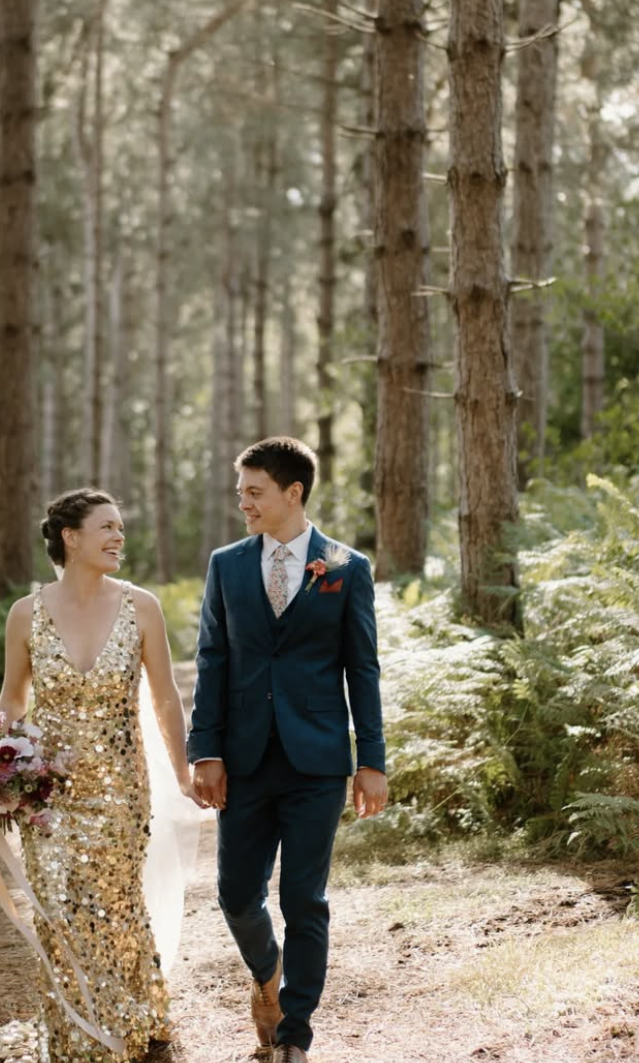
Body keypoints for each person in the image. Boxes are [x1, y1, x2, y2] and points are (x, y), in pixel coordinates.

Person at [188, 436, 388, 1063]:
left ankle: (295, 1033)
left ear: (292, 492)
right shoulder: (227, 564)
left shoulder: (346, 567)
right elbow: (212, 659)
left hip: (318, 762)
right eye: (240, 491)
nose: (242, 502)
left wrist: (372, 760)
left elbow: (364, 668)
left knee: (306, 898)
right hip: (243, 760)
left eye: (254, 491)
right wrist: (205, 750)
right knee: (236, 894)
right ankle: (266, 973)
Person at [0, 487, 203, 1063]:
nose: (119, 538)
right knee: (60, 905)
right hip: (47, 795)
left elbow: (164, 700)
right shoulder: (25, 614)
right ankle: (72, 1030)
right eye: (107, 527)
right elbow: (13, 700)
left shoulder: (142, 607)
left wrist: (183, 772)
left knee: (113, 904)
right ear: (71, 536)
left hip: (120, 791)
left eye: (121, 529)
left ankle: (129, 1019)